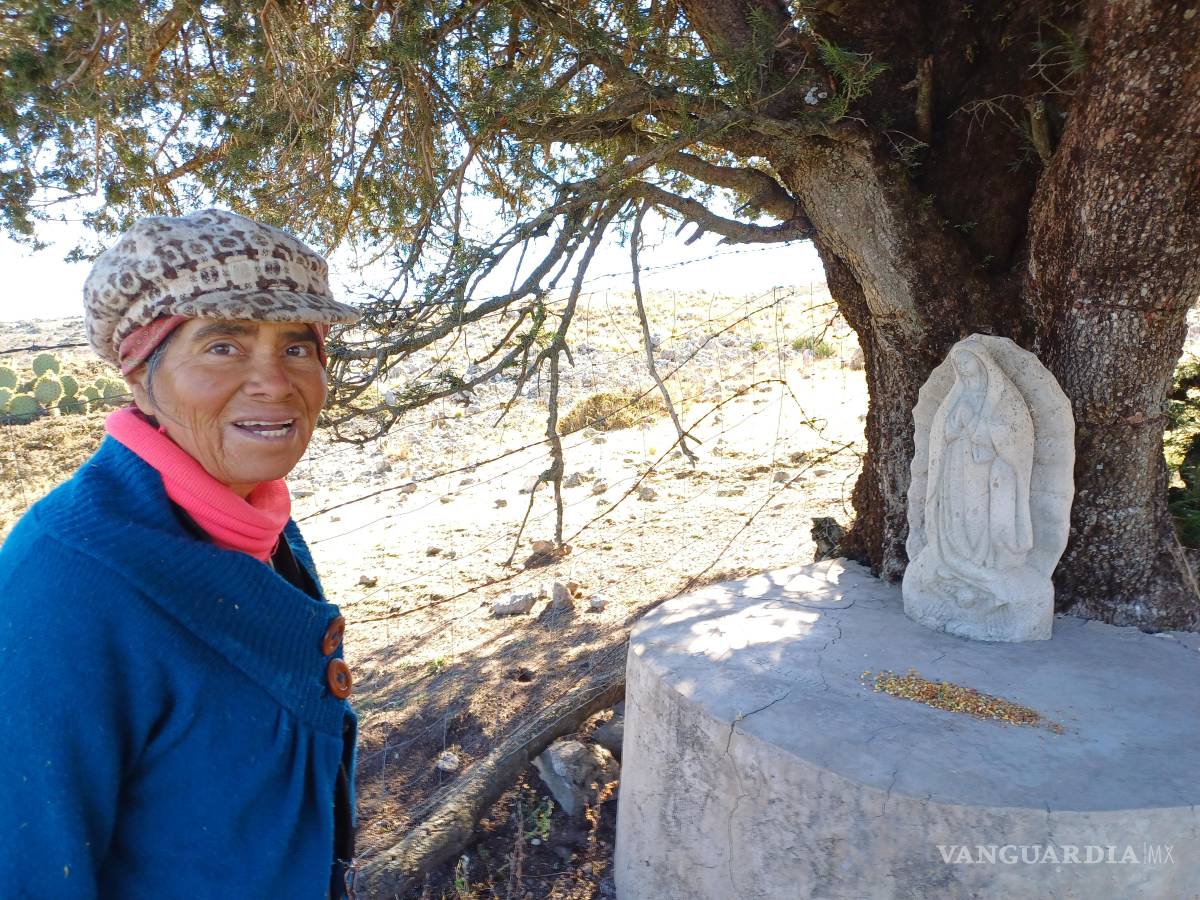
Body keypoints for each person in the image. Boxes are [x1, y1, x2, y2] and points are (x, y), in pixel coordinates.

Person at [0, 209, 363, 898]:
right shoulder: (63, 584)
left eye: (297, 347)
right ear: (141, 375)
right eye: (223, 346)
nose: (275, 382)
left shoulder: (258, 518)